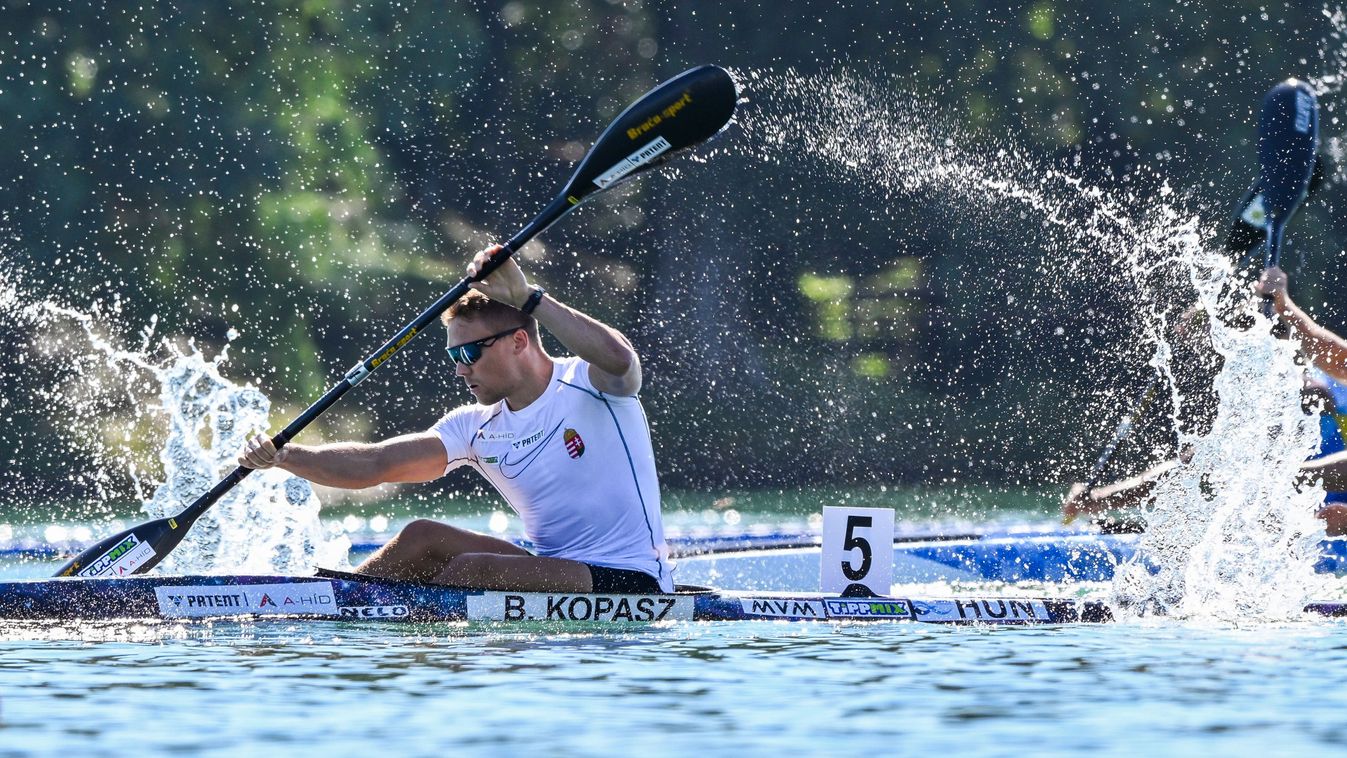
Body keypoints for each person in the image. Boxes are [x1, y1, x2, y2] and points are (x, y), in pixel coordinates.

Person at [238, 245, 673, 593]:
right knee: (421, 537)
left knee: (475, 569)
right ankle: (334, 603)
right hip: (554, 573)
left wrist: (528, 298)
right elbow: (376, 463)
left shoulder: (593, 383)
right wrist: (285, 457)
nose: (461, 369)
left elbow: (622, 359)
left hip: (632, 580)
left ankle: (404, 622)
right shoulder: (475, 426)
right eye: (453, 356)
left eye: (469, 352)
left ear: (519, 342)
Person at [1064, 267, 1347, 532]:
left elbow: (1328, 352)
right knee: (1210, 463)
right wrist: (1100, 498)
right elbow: (1194, 464)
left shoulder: (1315, 393)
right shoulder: (1263, 401)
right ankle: (1099, 506)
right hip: (1289, 507)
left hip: (1322, 506)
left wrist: (1291, 481)